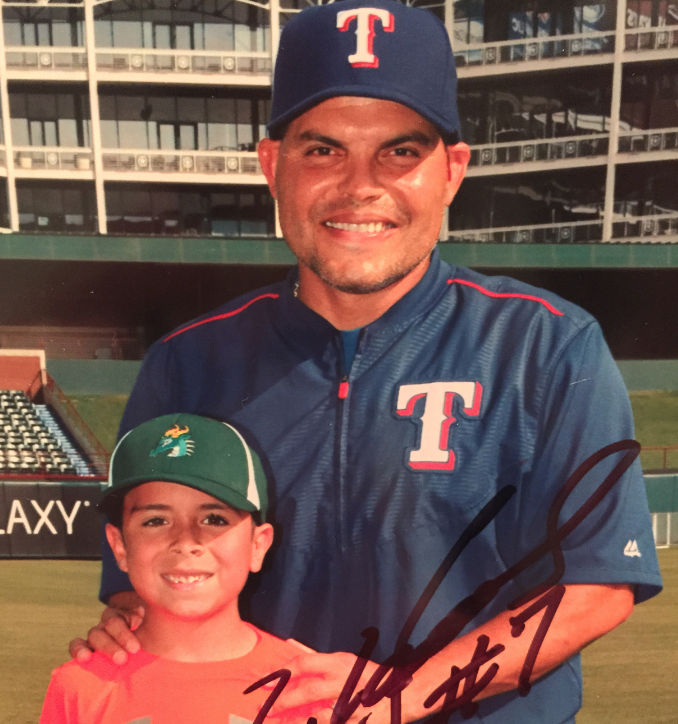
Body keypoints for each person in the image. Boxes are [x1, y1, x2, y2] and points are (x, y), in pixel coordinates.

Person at [71, 1, 663, 723]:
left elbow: (597, 585)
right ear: (272, 166)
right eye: (322, 149)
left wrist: (402, 695)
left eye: (400, 151)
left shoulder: (547, 345)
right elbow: (144, 578)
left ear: (451, 170)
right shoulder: (187, 364)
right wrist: (131, 621)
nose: (360, 185)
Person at [43, 413, 305, 723]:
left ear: (257, 545)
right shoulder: (79, 686)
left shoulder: (307, 685)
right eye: (156, 521)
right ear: (120, 547)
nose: (185, 541)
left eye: (214, 519)